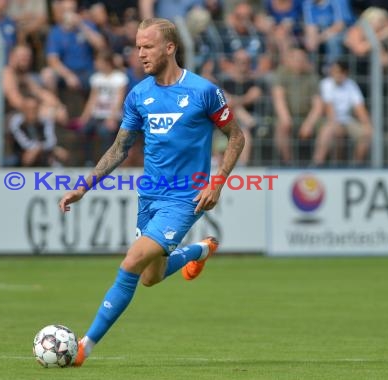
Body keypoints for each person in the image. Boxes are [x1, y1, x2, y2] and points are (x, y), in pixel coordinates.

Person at [58, 18, 245, 366]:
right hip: (150, 197)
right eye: (137, 47)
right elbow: (119, 149)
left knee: (131, 262)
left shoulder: (203, 91)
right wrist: (82, 187)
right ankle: (198, 252)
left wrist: (217, 181)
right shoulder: (139, 95)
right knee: (149, 277)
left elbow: (237, 136)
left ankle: (85, 346)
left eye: (147, 47)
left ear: (169, 48)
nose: (140, 54)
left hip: (186, 197)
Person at [308, 60, 372, 166]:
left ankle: (356, 165)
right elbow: (329, 109)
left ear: (345, 73)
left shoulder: (351, 85)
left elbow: (359, 108)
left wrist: (367, 124)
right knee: (331, 131)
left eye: (339, 71)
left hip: (346, 120)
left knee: (366, 134)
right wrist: (335, 124)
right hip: (330, 120)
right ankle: (317, 163)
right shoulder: (326, 84)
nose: (336, 74)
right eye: (334, 71)